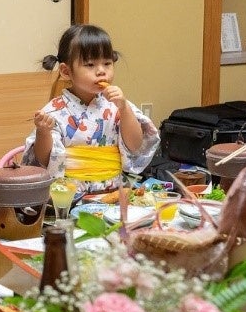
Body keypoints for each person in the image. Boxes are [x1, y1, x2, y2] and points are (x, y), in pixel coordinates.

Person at [23, 24, 160, 197]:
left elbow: (135, 146)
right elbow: (45, 161)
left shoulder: (117, 105)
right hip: (71, 195)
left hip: (114, 191)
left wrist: (124, 109)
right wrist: (43, 132)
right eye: (90, 64)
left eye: (107, 63)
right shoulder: (55, 111)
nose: (101, 71)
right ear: (66, 71)